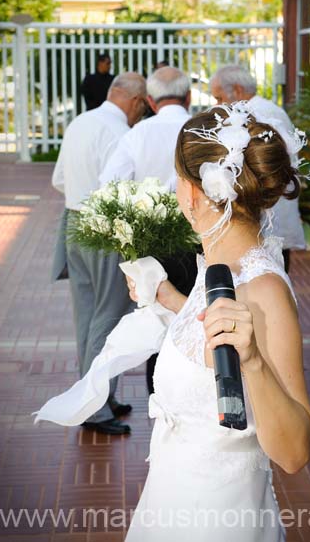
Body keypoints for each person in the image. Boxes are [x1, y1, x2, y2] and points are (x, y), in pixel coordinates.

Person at [123, 103, 310, 540]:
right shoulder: (218, 267)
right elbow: (208, 354)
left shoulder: (262, 291)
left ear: (191, 191)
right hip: (169, 501)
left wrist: (254, 363)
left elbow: (294, 452)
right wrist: (168, 298)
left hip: (220, 519)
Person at [52, 72, 147, 435]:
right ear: (136, 101)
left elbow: (58, 179)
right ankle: (95, 408)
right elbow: (124, 188)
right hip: (104, 227)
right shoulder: (120, 132)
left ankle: (100, 398)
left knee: (88, 318)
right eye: (142, 107)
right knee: (108, 318)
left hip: (74, 224)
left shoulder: (81, 121)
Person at [100, 66, 199, 394]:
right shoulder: (202, 130)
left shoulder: (137, 134)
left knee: (159, 324)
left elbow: (109, 186)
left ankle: (162, 399)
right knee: (197, 315)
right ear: (188, 97)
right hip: (201, 242)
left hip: (153, 246)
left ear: (152, 102)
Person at [210, 65, 305, 271]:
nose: (217, 105)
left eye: (218, 98)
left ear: (236, 90)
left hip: (264, 220)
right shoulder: (268, 110)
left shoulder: (252, 114)